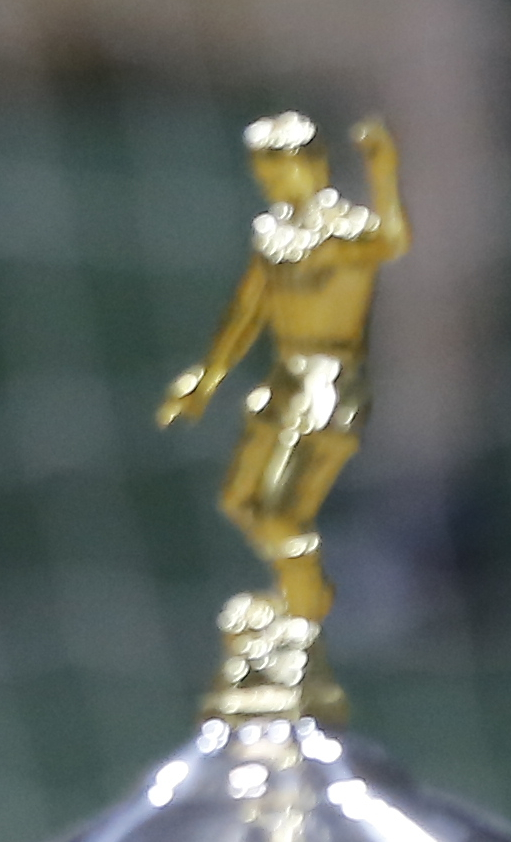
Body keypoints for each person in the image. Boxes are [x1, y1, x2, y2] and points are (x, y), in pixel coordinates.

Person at [159, 113, 410, 635]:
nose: (272, 181)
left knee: (280, 514)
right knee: (239, 501)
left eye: (281, 169)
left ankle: (305, 610)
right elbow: (248, 310)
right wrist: (206, 379)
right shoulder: (271, 234)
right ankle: (296, 595)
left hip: (330, 384)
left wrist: (384, 174)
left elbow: (391, 242)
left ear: (312, 164)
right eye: (264, 171)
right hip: (285, 379)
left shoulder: (345, 231)